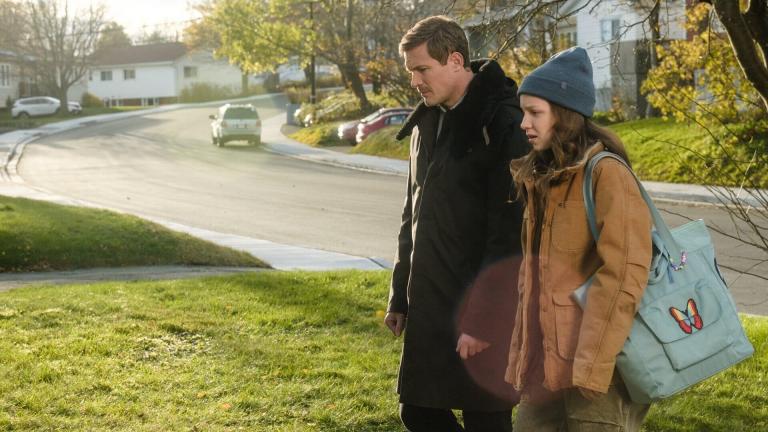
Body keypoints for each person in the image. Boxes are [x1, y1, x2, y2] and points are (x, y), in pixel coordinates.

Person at [384, 15, 529, 432]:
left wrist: (485, 319)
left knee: (487, 421)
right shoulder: (425, 122)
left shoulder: (501, 122)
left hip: (482, 304)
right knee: (418, 410)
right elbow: (412, 214)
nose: (415, 81)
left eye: (422, 69)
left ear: (455, 61)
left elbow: (510, 233)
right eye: (410, 71)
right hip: (431, 301)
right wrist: (399, 294)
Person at [502, 46, 654, 431]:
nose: (524, 123)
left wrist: (592, 365)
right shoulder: (543, 176)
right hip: (545, 367)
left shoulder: (607, 174)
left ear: (565, 114)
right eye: (523, 112)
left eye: (535, 112)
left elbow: (623, 274)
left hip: (599, 371)